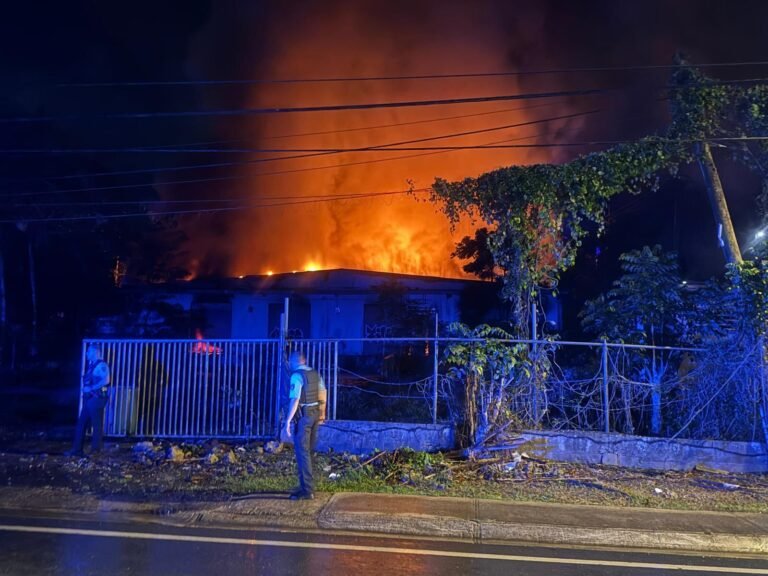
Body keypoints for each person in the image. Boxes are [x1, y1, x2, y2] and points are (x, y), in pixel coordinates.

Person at [283, 350, 326, 500]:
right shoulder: (314, 373)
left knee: (302, 452)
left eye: (290, 361)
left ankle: (307, 491)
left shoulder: (296, 376)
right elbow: (323, 392)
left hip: (304, 416)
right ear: (304, 360)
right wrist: (322, 414)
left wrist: (287, 421)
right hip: (315, 414)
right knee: (309, 451)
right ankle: (307, 485)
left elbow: (295, 400)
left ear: (294, 361)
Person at [67, 345, 111, 457]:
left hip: (96, 399)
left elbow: (106, 380)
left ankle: (96, 451)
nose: (86, 354)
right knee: (81, 424)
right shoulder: (92, 365)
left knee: (96, 425)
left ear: (95, 352)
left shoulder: (101, 365)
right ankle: (77, 450)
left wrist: (91, 388)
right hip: (90, 399)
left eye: (88, 352)